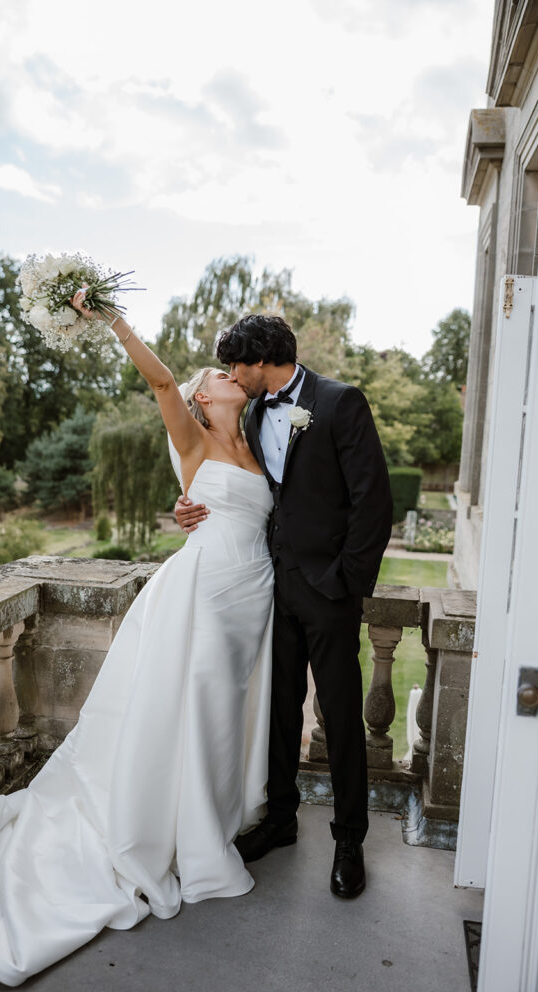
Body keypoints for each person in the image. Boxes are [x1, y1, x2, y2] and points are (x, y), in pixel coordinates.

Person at [0, 295, 276, 986]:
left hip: (253, 593)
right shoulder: (193, 436)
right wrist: (113, 319)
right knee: (192, 708)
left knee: (227, 713)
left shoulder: (260, 437)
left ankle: (211, 818)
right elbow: (161, 382)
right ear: (203, 396)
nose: (227, 374)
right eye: (217, 373)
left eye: (233, 371)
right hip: (203, 591)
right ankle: (185, 841)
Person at [175, 314, 392, 899]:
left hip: (328, 592)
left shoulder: (340, 402)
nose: (232, 376)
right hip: (269, 586)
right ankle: (280, 819)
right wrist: (189, 505)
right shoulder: (249, 413)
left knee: (342, 716)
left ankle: (350, 839)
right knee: (279, 710)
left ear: (257, 360)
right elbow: (237, 482)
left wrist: (346, 583)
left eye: (235, 365)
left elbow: (374, 500)